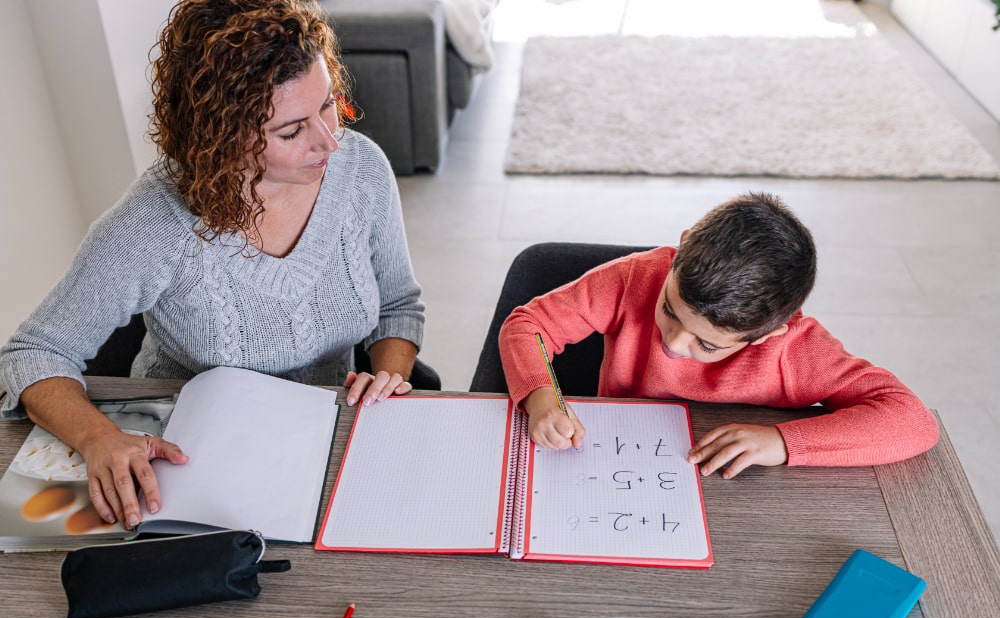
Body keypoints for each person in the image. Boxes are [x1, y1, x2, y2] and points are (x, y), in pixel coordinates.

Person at [0, 0, 429, 530]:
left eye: (328, 105)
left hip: (328, 433)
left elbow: (398, 305)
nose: (329, 140)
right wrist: (98, 438)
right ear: (222, 137)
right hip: (187, 454)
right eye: (292, 131)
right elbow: (33, 353)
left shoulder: (361, 169)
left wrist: (388, 376)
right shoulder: (153, 225)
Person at [499, 192, 938, 477]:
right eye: (669, 310)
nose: (672, 345)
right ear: (682, 247)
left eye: (705, 344)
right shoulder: (637, 276)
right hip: (617, 461)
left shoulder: (795, 350)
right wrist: (542, 398)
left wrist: (783, 441)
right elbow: (527, 325)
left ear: (767, 336)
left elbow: (912, 420)